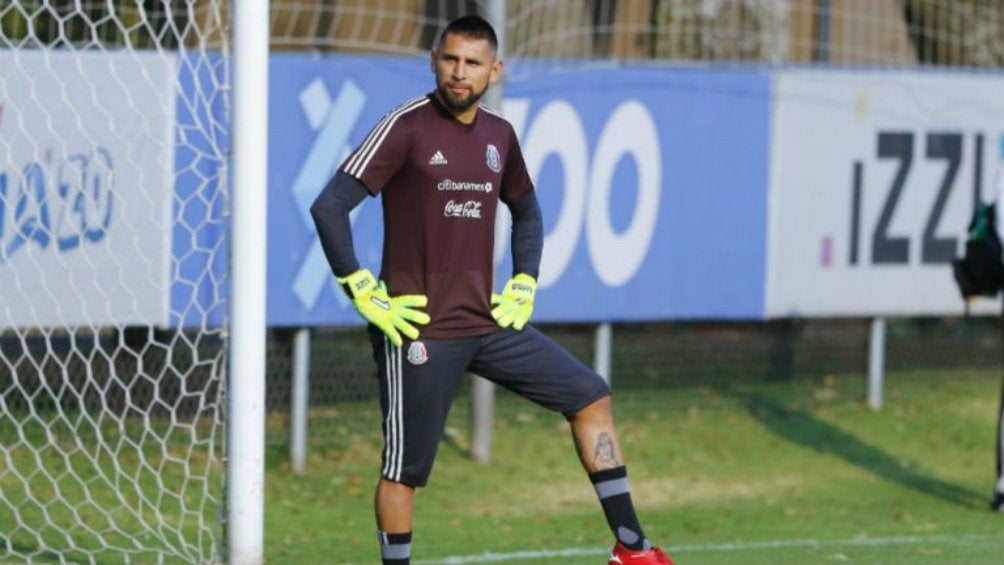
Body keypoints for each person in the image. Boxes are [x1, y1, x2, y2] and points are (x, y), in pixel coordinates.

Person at [310, 15, 675, 565]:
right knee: (403, 472)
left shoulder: (499, 136)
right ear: (435, 59)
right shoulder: (404, 126)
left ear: (494, 70)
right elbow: (329, 205)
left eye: (473, 63)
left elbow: (526, 212)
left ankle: (632, 550)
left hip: (486, 323)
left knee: (589, 395)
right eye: (451, 59)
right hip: (418, 328)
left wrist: (524, 280)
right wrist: (360, 285)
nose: (460, 73)